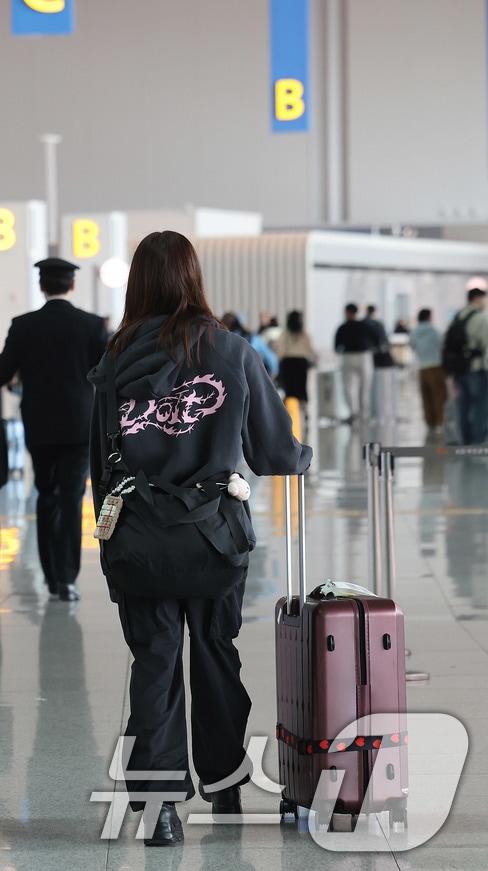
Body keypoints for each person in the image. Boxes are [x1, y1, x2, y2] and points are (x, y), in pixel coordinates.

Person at [88, 230, 310, 846]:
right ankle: (226, 781)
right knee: (216, 655)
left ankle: (160, 807)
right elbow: (274, 452)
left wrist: (109, 542)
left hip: (139, 539)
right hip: (214, 537)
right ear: (193, 277)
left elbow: (99, 465)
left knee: (154, 663)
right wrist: (302, 455)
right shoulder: (231, 350)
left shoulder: (115, 360)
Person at [0, 257, 107, 601]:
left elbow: (2, 370)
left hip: (40, 425)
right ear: (71, 285)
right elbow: (107, 374)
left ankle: (49, 576)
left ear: (42, 286)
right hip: (79, 426)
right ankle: (68, 579)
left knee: (46, 496)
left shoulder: (24, 325)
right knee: (73, 498)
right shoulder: (91, 325)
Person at [447, 288, 488, 444]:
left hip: (459, 370)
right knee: (480, 407)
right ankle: (477, 442)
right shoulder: (480, 318)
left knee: (462, 407)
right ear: (477, 299)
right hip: (477, 369)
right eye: (484, 299)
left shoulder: (458, 316)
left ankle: (464, 440)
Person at [409, 308, 448, 434]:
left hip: (422, 368)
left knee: (425, 396)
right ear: (429, 317)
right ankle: (439, 422)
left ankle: (429, 422)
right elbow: (442, 345)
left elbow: (412, 346)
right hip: (435, 366)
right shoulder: (434, 330)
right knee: (438, 396)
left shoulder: (414, 332)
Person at [334, 303, 374, 422]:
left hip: (348, 357)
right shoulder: (365, 326)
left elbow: (336, 347)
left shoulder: (342, 327)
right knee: (365, 386)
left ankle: (353, 413)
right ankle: (364, 414)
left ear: (347, 312)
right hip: (364, 356)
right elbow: (376, 340)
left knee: (348, 387)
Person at [272, 309, 318, 405]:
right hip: (301, 363)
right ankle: (304, 412)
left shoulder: (285, 334)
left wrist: (279, 361)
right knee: (301, 389)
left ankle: (291, 412)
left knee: (289, 390)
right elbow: (310, 349)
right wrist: (315, 359)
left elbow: (280, 350)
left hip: (288, 363)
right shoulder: (304, 334)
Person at [365, 304, 397, 424]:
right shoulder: (378, 324)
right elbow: (384, 342)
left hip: (369, 358)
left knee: (369, 388)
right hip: (381, 361)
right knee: (382, 389)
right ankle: (381, 413)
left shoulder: (363, 323)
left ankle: (371, 413)